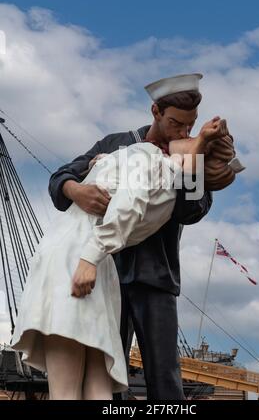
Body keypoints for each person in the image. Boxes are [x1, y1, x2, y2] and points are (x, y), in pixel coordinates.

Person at [11, 116, 236, 400]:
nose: (186, 131)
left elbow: (191, 210)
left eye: (190, 125)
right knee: (105, 367)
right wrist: (76, 190)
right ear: (157, 112)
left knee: (163, 373)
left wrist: (196, 162)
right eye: (180, 122)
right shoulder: (117, 143)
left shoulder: (191, 163)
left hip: (152, 277)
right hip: (104, 275)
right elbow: (61, 178)